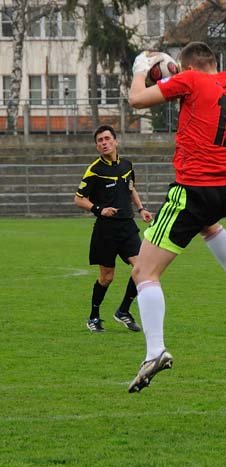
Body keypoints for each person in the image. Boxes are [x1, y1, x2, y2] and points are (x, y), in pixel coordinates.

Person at [125, 42, 226, 393]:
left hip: (194, 189)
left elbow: (137, 100)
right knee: (209, 225)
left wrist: (141, 68)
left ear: (188, 67)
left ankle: (155, 351)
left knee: (143, 271)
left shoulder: (190, 82)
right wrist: (174, 71)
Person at [74, 125, 153, 333]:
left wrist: (141, 208)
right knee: (107, 278)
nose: (104, 143)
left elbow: (131, 188)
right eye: (99, 140)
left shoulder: (127, 165)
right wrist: (99, 209)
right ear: (97, 146)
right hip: (106, 230)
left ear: (115, 141)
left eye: (107, 138)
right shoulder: (94, 170)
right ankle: (93, 317)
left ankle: (123, 311)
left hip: (127, 227)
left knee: (142, 269)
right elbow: (78, 199)